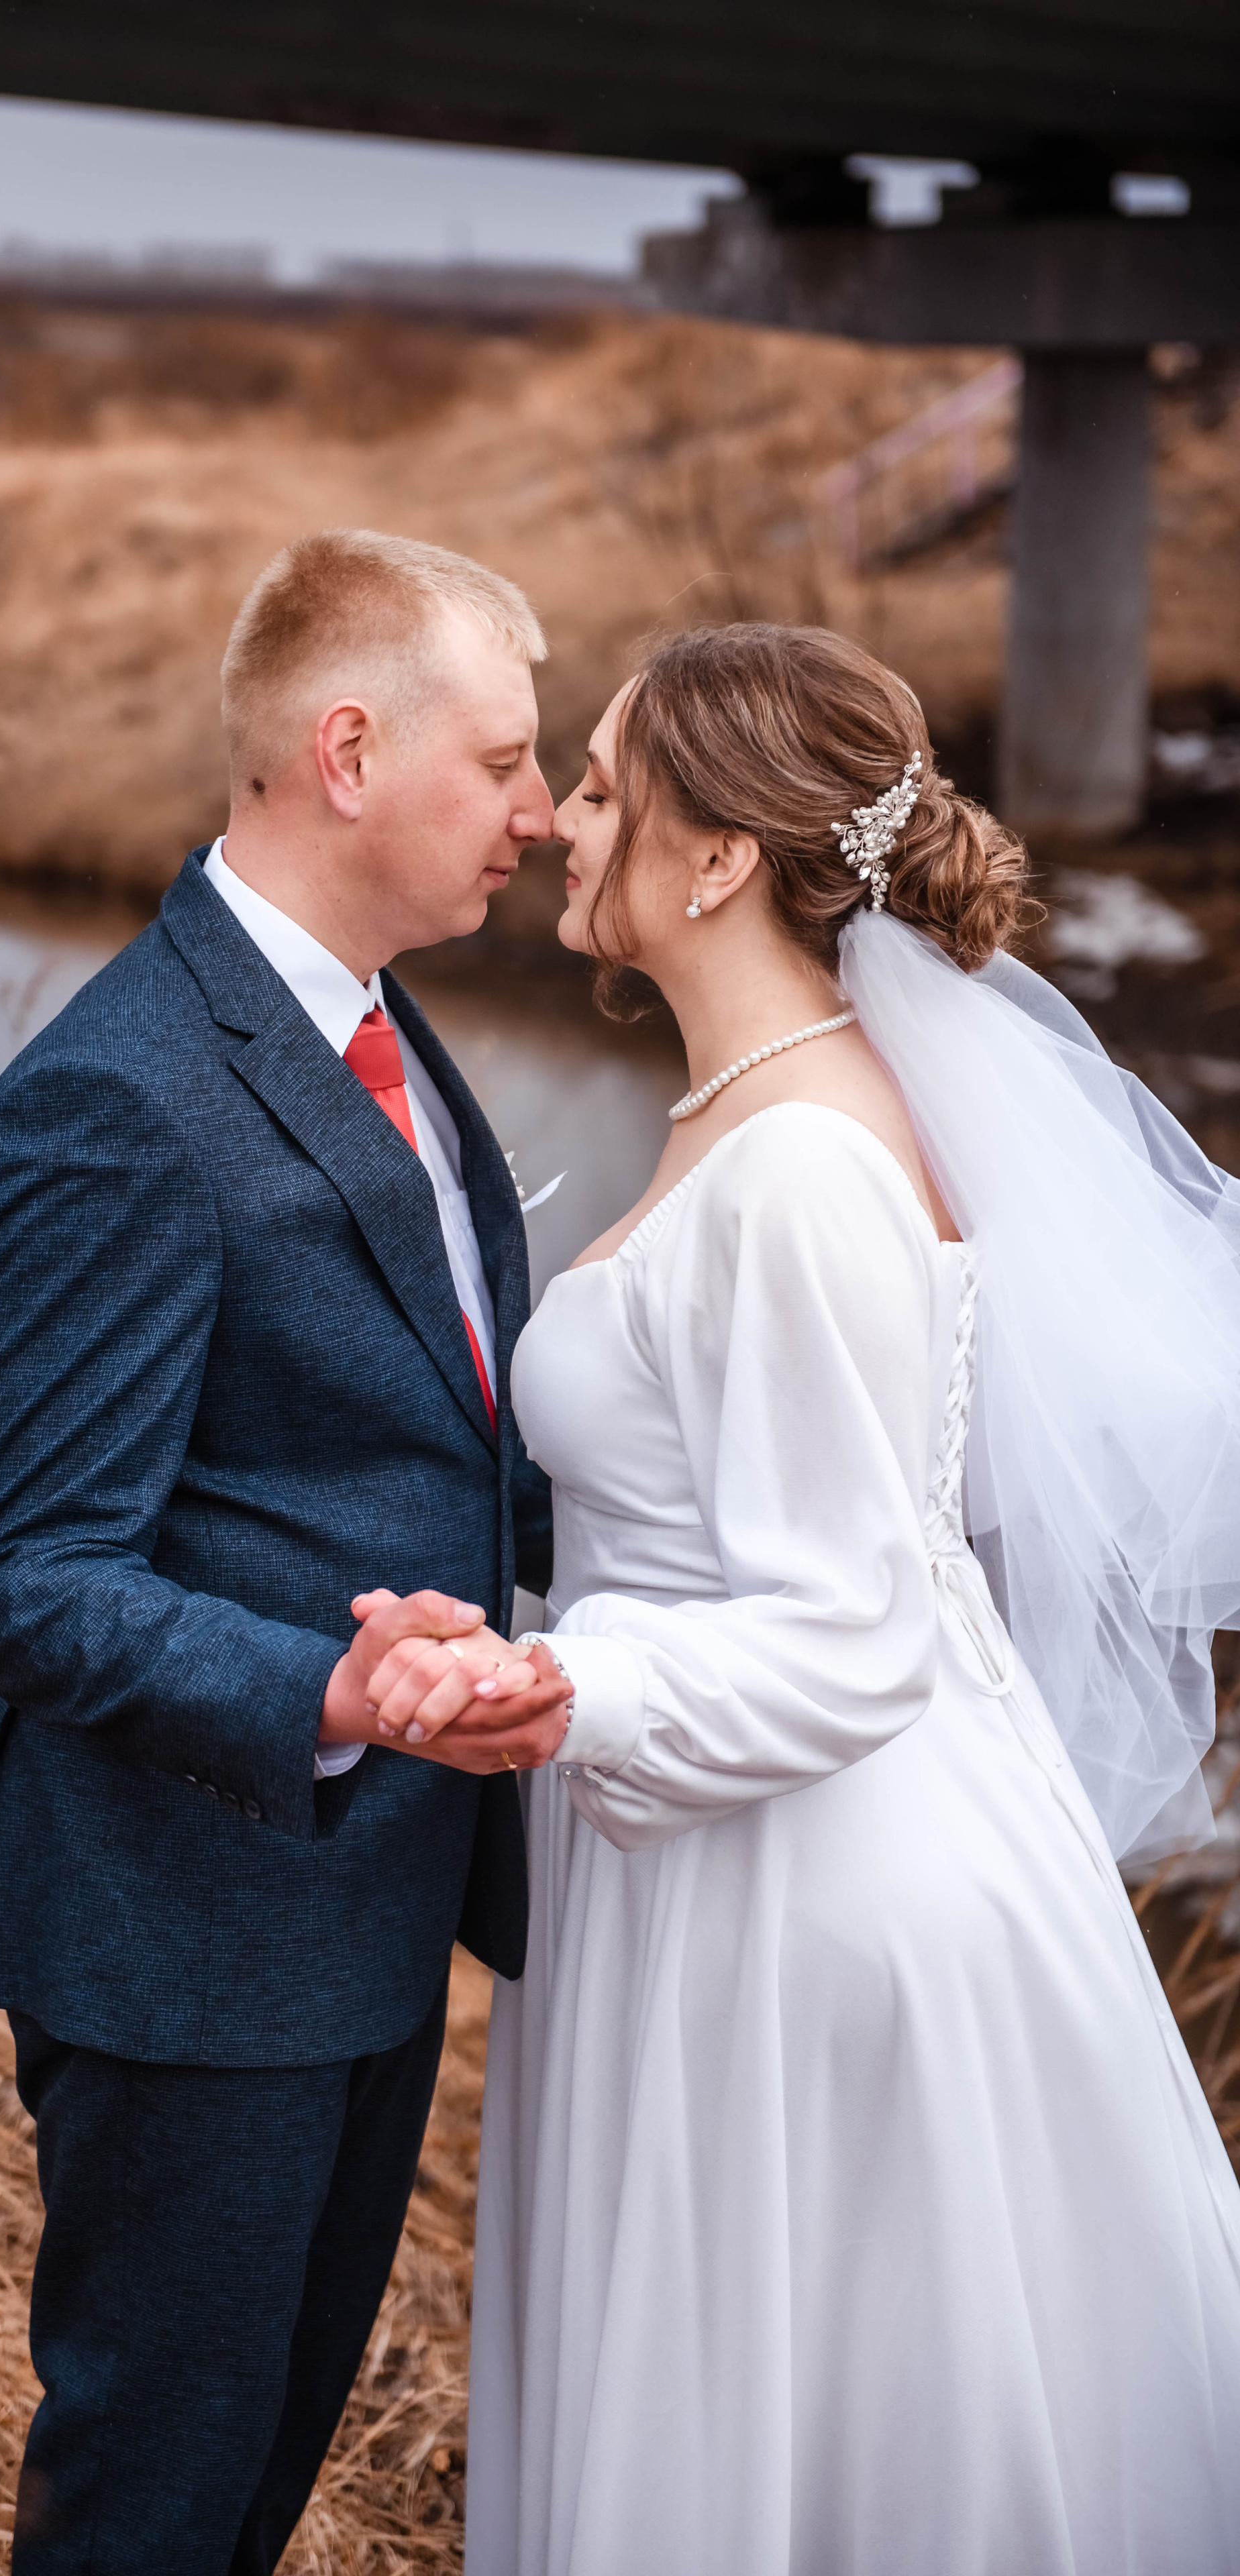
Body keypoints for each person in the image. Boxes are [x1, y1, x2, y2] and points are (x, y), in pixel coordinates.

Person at [370, 623, 1240, 2573]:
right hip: (715, 1848)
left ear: (715, 860)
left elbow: (848, 1622)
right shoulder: (751, 1117)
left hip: (799, 1900)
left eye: (601, 788)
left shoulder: (800, 1177)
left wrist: (559, 1690)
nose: (560, 822)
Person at [0, 529, 572, 2575]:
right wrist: (332, 1689)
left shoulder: (380, 1028)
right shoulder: (116, 1099)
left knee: (257, 2476)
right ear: (348, 751)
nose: (541, 816)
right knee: (156, 2505)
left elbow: (429, 1431)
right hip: (188, 1932)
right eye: (509, 763)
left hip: (351, 1909)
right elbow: (25, 1576)